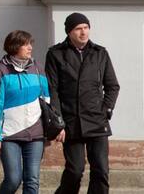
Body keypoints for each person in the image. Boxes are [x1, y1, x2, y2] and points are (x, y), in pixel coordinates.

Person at [46, 13, 120, 194]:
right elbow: (52, 90)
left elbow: (112, 86)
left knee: (101, 170)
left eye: (86, 28)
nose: (83, 32)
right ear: (69, 32)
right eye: (78, 29)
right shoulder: (56, 54)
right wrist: (58, 122)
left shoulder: (100, 53)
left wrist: (105, 110)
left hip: (97, 120)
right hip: (71, 121)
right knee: (75, 170)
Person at [0, 30, 49, 194]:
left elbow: (47, 101)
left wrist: (50, 129)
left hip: (35, 134)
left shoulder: (37, 68)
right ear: (14, 47)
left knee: (32, 180)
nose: (30, 48)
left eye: (30, 44)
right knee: (13, 179)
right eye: (25, 44)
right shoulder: (0, 71)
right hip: (9, 135)